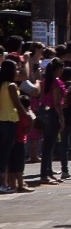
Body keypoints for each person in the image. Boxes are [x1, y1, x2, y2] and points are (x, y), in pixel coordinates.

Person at [0, 59, 34, 193]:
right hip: (9, 120)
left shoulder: (2, 85)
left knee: (3, 153)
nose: (18, 71)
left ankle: (4, 182)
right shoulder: (11, 86)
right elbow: (17, 104)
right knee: (5, 154)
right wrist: (27, 115)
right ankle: (2, 183)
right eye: (16, 69)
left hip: (1, 119)